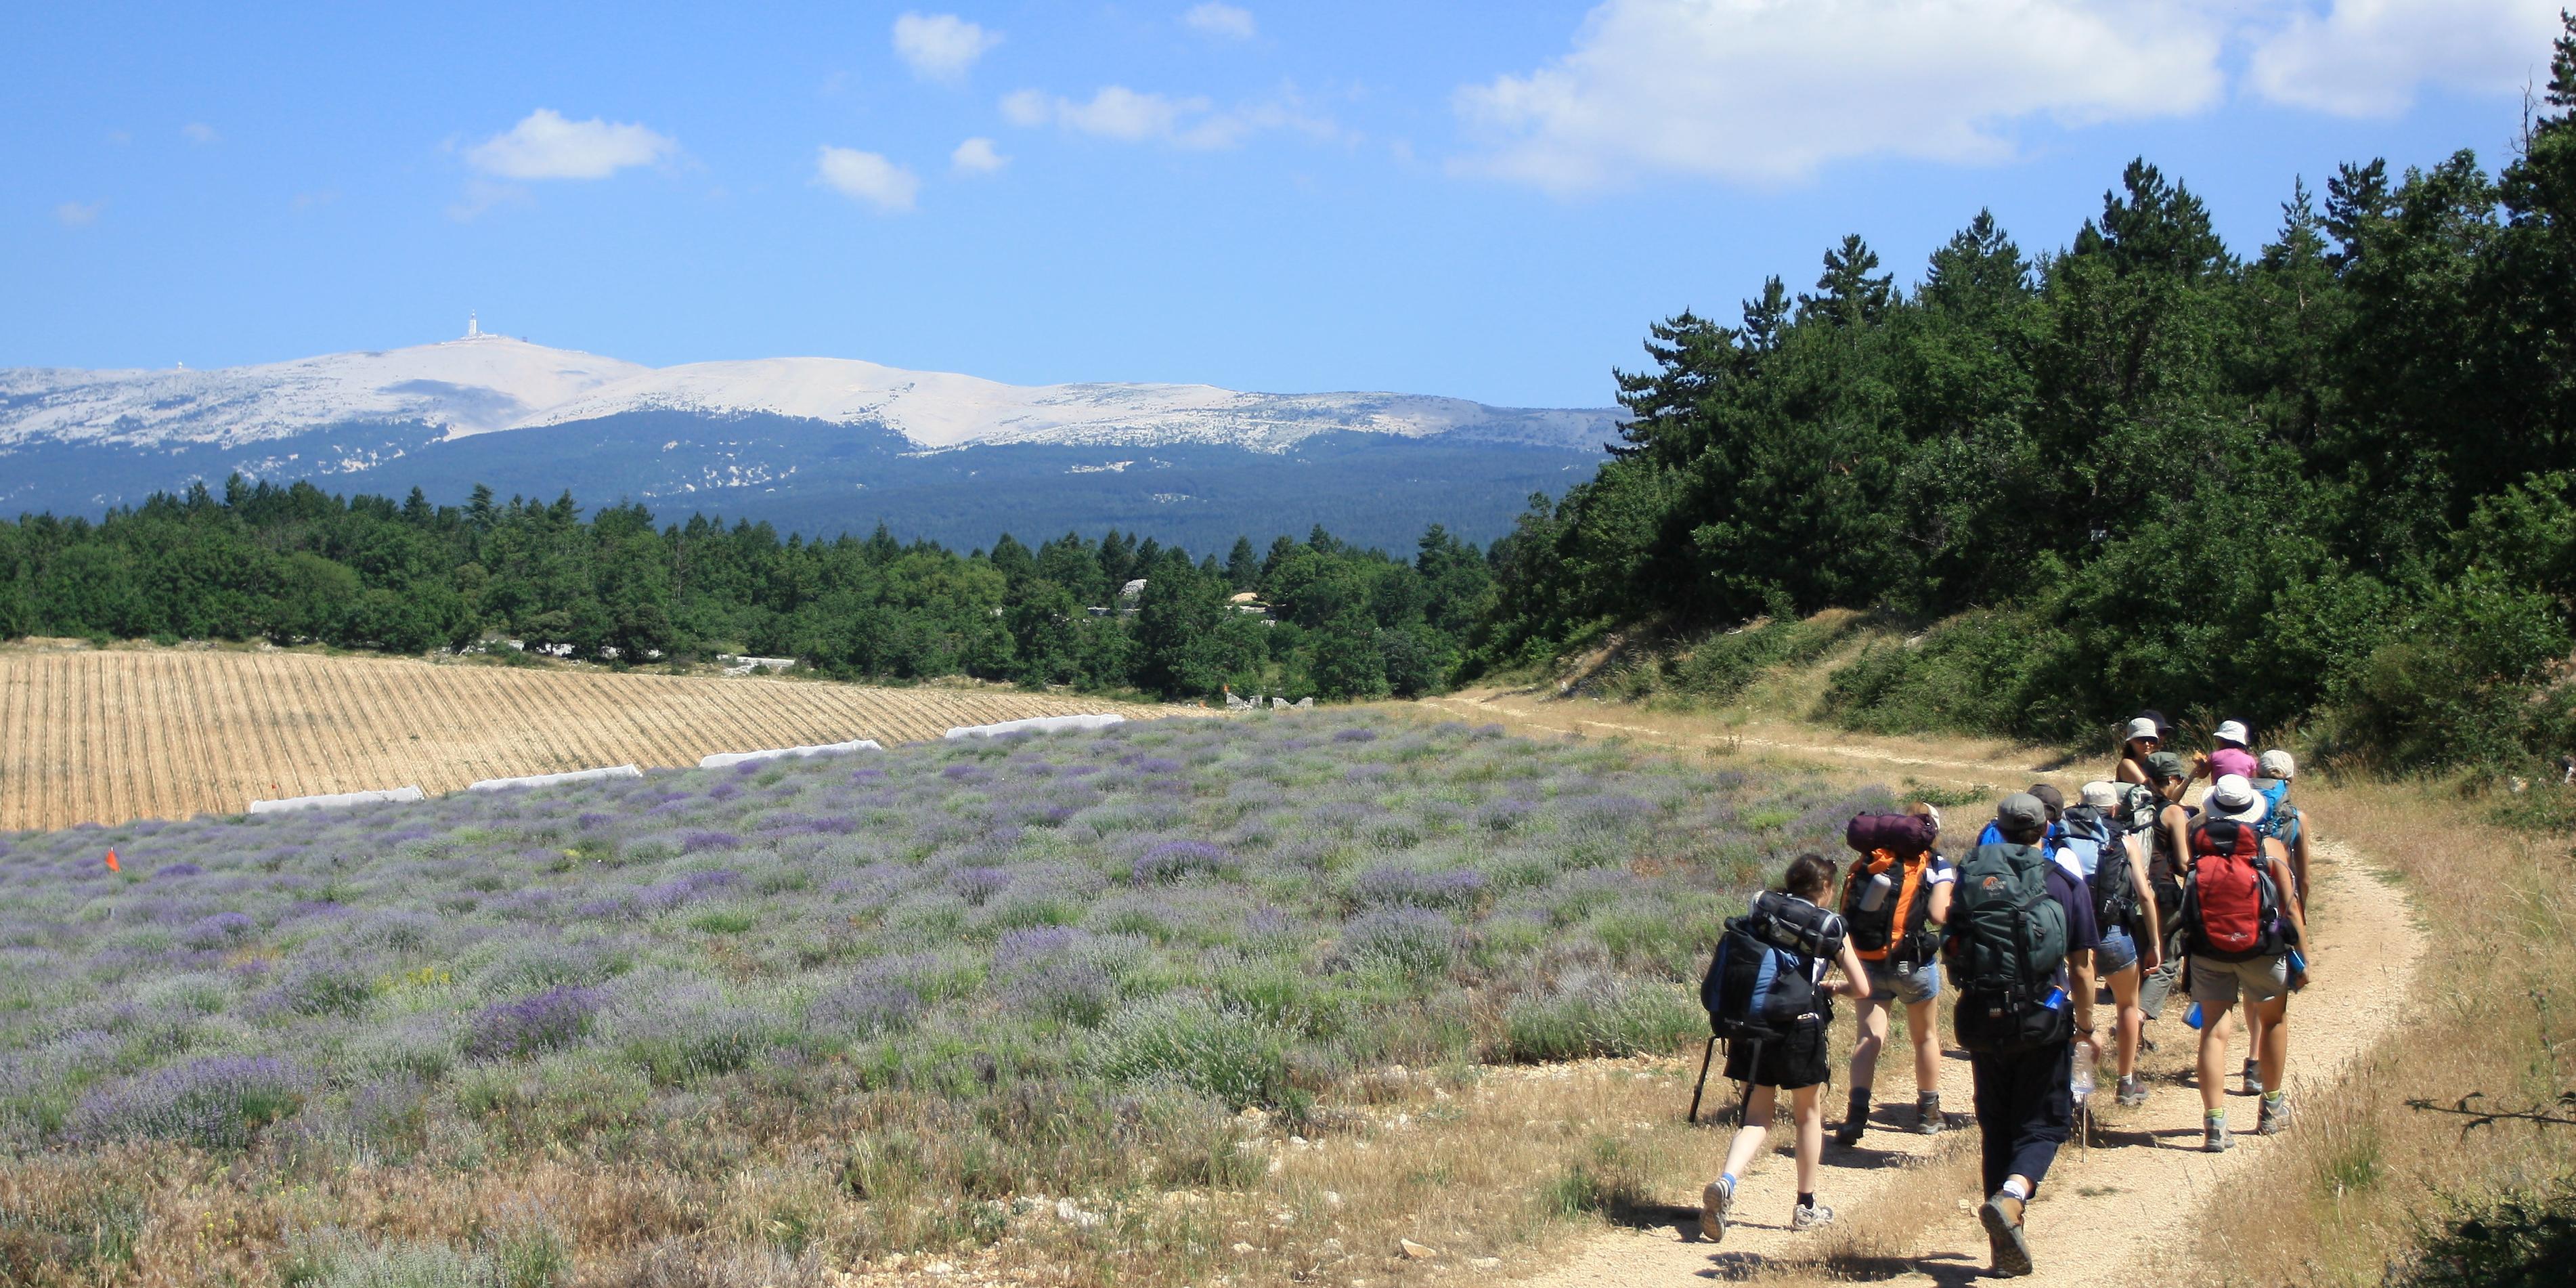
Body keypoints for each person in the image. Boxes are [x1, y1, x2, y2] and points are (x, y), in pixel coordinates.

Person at [1947, 793, 2098, 1278]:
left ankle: (2002, 1244)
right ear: (2044, 830)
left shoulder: (1971, 880)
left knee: (1997, 1126)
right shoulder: (2062, 881)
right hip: (2041, 1019)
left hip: (1980, 1018)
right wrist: (2086, 1028)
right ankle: (2012, 1198)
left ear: (1999, 828)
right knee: (2045, 1123)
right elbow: (2080, 964)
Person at [1701, 854, 1872, 1241]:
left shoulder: (1764, 912)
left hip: (1753, 1025)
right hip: (1800, 1030)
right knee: (1807, 1117)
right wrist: (1832, 987)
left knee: (1755, 1119)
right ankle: (1806, 1207)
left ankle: (1727, 1182)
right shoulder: (1827, 928)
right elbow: (1862, 988)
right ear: (1826, 889)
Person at [2186, 775, 2311, 1151]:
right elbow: (2291, 907)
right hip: (2263, 951)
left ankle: (2214, 1124)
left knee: (2213, 1031)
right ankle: (2271, 1107)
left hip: (2210, 951)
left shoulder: (2198, 845)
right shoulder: (2270, 847)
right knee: (2273, 1021)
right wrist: (2304, 959)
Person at [1835, 802, 1954, 1145]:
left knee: (1868, 1038)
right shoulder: (1935, 863)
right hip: (1913, 964)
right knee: (1925, 1037)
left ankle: (1856, 1117)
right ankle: (1928, 1114)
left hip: (1868, 962)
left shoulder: (1872, 859)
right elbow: (1938, 915)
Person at [2062, 781, 2162, 1107]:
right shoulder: (2123, 839)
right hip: (2113, 934)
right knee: (2128, 1007)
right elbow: (2145, 894)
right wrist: (2155, 942)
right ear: (2115, 809)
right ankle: (2126, 1082)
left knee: (2081, 1017)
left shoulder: (2062, 838)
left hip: (2074, 939)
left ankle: (2079, 1092)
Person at [2133, 751, 2198, 1025]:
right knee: (2167, 958)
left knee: (2138, 959)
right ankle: (2137, 1017)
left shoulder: (2129, 804)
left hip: (2129, 890)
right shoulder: (2172, 812)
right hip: (2162, 893)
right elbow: (2184, 864)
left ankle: (2134, 1036)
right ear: (2171, 778)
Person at [2113, 716, 2162, 787]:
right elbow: (2149, 792)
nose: (2147, 744)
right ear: (2130, 741)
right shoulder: (2127, 764)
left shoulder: (2154, 763)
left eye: (2151, 740)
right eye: (2141, 740)